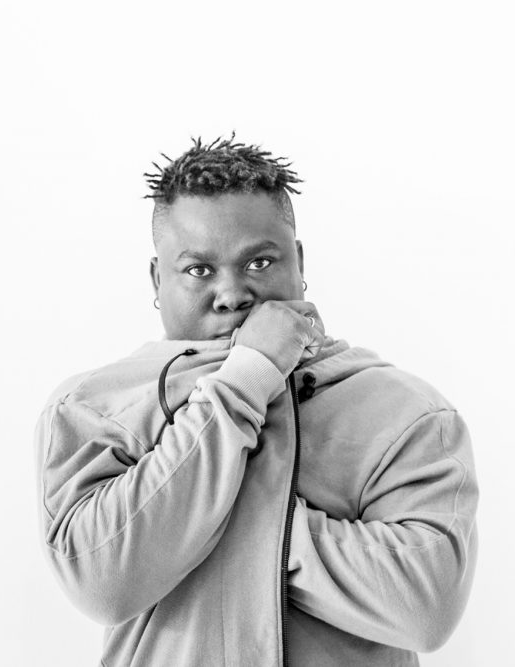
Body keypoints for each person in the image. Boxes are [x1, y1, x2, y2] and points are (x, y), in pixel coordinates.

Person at [34, 135, 479, 666]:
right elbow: (103, 580)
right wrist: (248, 377)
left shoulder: (406, 413)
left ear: (299, 261)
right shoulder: (93, 407)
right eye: (199, 269)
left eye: (259, 263)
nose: (232, 293)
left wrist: (184, 520)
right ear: (158, 279)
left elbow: (425, 607)